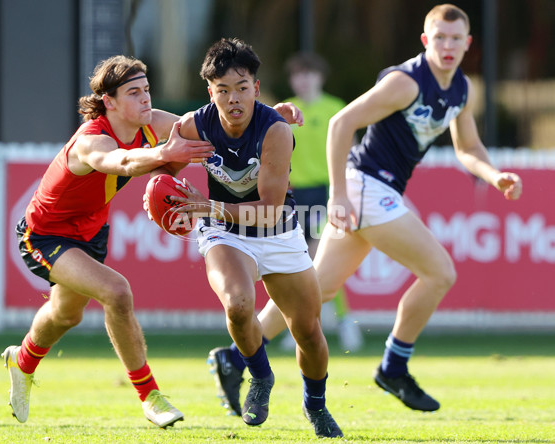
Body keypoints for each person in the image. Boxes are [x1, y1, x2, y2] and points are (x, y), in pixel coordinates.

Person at [205, 3, 523, 415]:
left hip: (370, 192)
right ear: (426, 41)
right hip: (366, 189)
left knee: (314, 294)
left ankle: (232, 359)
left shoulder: (460, 88)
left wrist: (494, 175)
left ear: (468, 44)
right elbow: (341, 124)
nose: (447, 46)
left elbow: (469, 148)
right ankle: (394, 365)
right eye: (439, 38)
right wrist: (339, 195)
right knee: (440, 272)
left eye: (455, 39)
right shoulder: (407, 83)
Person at [1, 55, 216, 428]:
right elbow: (123, 162)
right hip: (46, 234)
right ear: (109, 102)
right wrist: (165, 154)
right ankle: (150, 396)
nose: (146, 99)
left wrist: (262, 117)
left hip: (91, 231)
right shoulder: (90, 140)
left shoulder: (151, 123)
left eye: (147, 89)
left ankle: (21, 362)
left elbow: (210, 123)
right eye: (134, 92)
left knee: (67, 314)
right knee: (117, 291)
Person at [150, 38, 343, 438]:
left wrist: (209, 207)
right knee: (238, 304)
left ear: (256, 88)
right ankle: (259, 376)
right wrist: (157, 191)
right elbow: (163, 168)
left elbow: (271, 208)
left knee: (308, 331)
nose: (233, 98)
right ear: (211, 93)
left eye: (241, 88)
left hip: (277, 231)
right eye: (223, 90)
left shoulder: (274, 129)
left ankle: (315, 405)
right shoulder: (193, 125)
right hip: (223, 232)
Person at [280, 51, 363, 352]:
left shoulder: (335, 108)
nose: (302, 80)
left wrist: (345, 191)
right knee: (295, 263)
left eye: (308, 74)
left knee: (318, 261)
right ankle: (300, 324)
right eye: (297, 74)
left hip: (326, 192)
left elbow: (351, 150)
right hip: (292, 196)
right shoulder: (286, 111)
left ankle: (340, 321)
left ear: (320, 77)